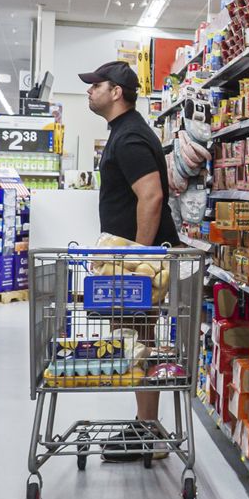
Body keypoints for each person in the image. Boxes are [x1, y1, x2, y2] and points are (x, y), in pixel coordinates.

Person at [80, 61, 178, 459]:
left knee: (140, 341)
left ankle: (148, 431)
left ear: (116, 91)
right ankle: (145, 426)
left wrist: (139, 260)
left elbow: (152, 196)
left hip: (137, 263)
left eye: (95, 84)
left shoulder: (131, 136)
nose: (90, 91)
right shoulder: (125, 131)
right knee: (139, 341)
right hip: (131, 259)